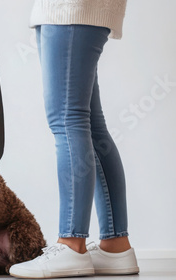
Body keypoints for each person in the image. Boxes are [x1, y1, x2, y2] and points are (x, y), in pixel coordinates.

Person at [9, 0, 140, 278]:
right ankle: (115, 246)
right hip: (65, 10)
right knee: (90, 125)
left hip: (70, 8)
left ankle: (71, 244)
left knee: (67, 121)